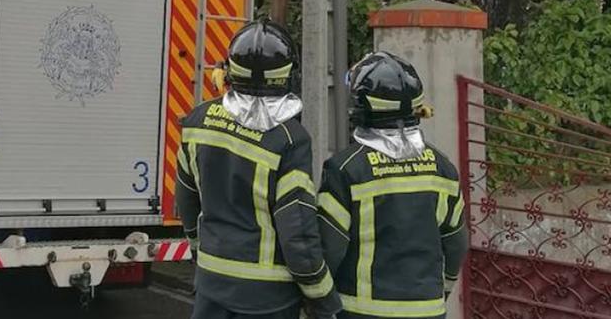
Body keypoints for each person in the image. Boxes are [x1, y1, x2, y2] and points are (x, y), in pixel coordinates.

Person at [176, 19, 342, 319]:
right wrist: (322, 297)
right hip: (267, 297)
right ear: (287, 76)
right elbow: (298, 232)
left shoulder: (198, 120)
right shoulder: (290, 139)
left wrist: (199, 250)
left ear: (229, 71)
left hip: (210, 284)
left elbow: (187, 200)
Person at [316, 52, 468, 319]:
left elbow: (330, 248)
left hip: (363, 311)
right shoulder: (443, 167)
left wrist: (317, 300)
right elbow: (455, 243)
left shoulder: (345, 169)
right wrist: (441, 290)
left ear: (361, 107)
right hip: (428, 311)